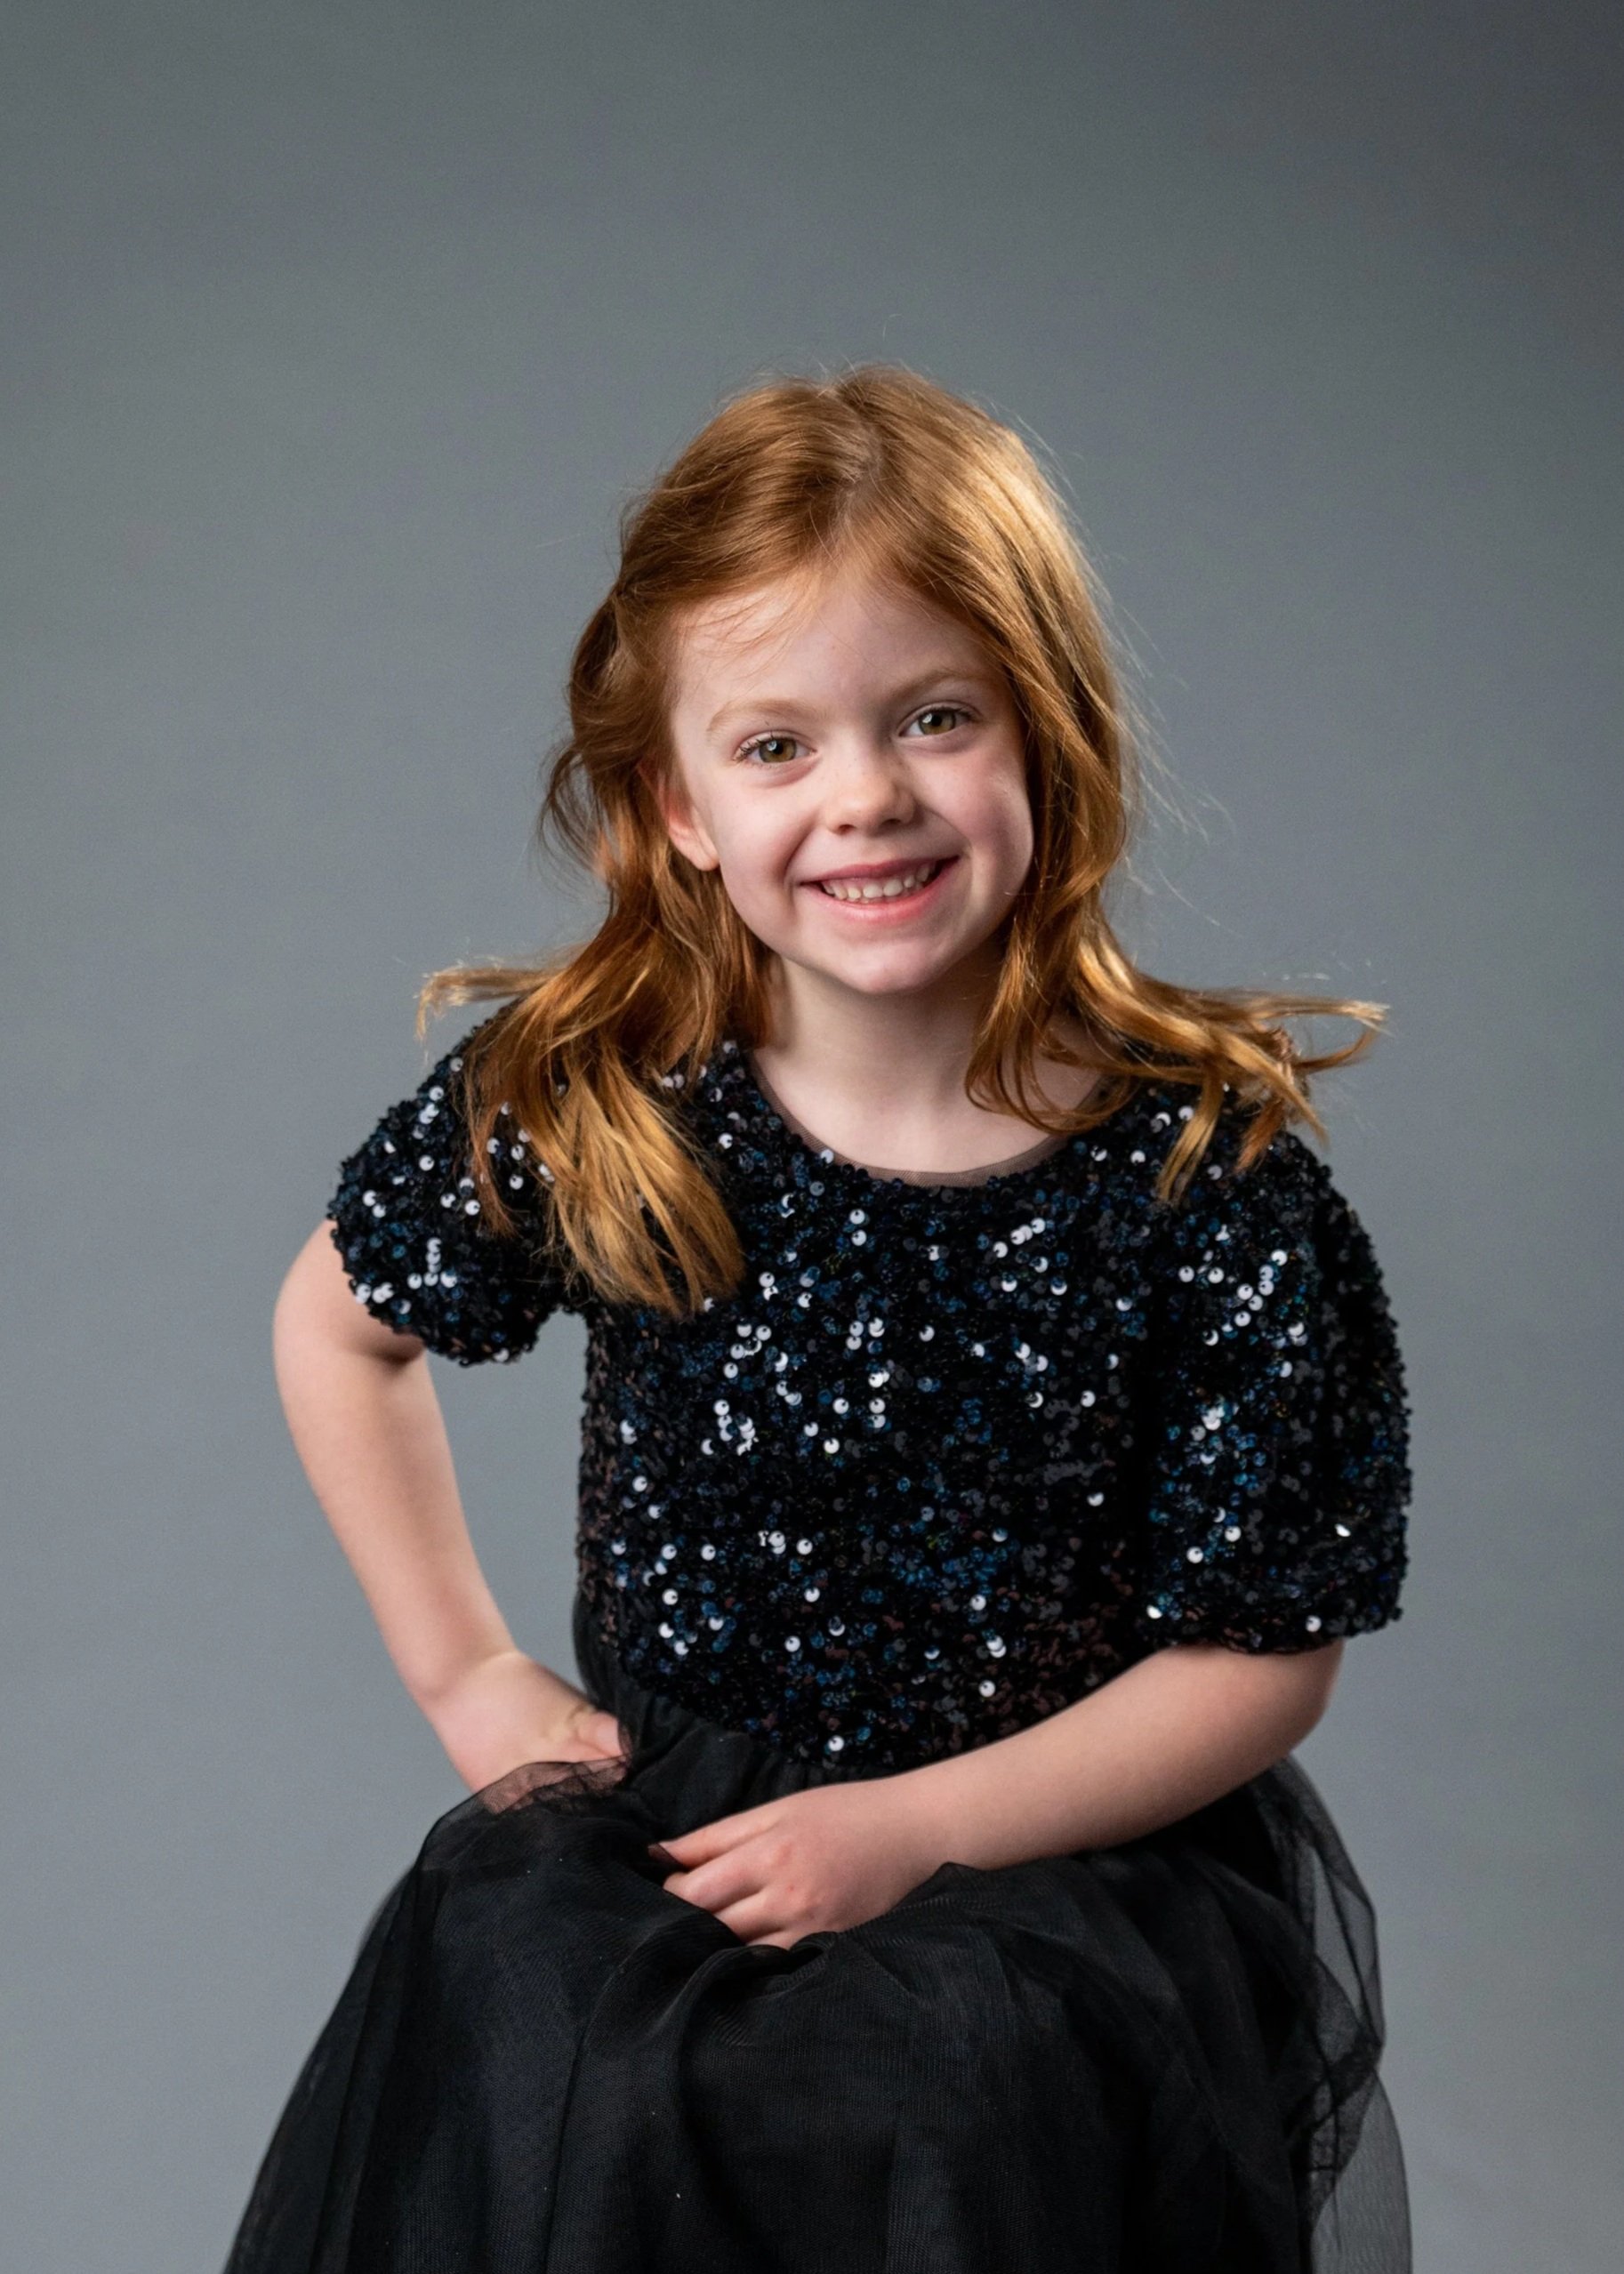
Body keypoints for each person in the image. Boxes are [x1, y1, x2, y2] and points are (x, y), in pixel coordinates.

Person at [224, 366, 1412, 2274]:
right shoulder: (608, 1098)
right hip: (658, 1891)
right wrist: (469, 1680)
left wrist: (915, 1831)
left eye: (935, 715)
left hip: (1046, 1914)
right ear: (678, 807)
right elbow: (336, 1326)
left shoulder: (1208, 1180)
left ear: (1046, 732)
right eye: (776, 744)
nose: (866, 793)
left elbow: (1263, 1653)